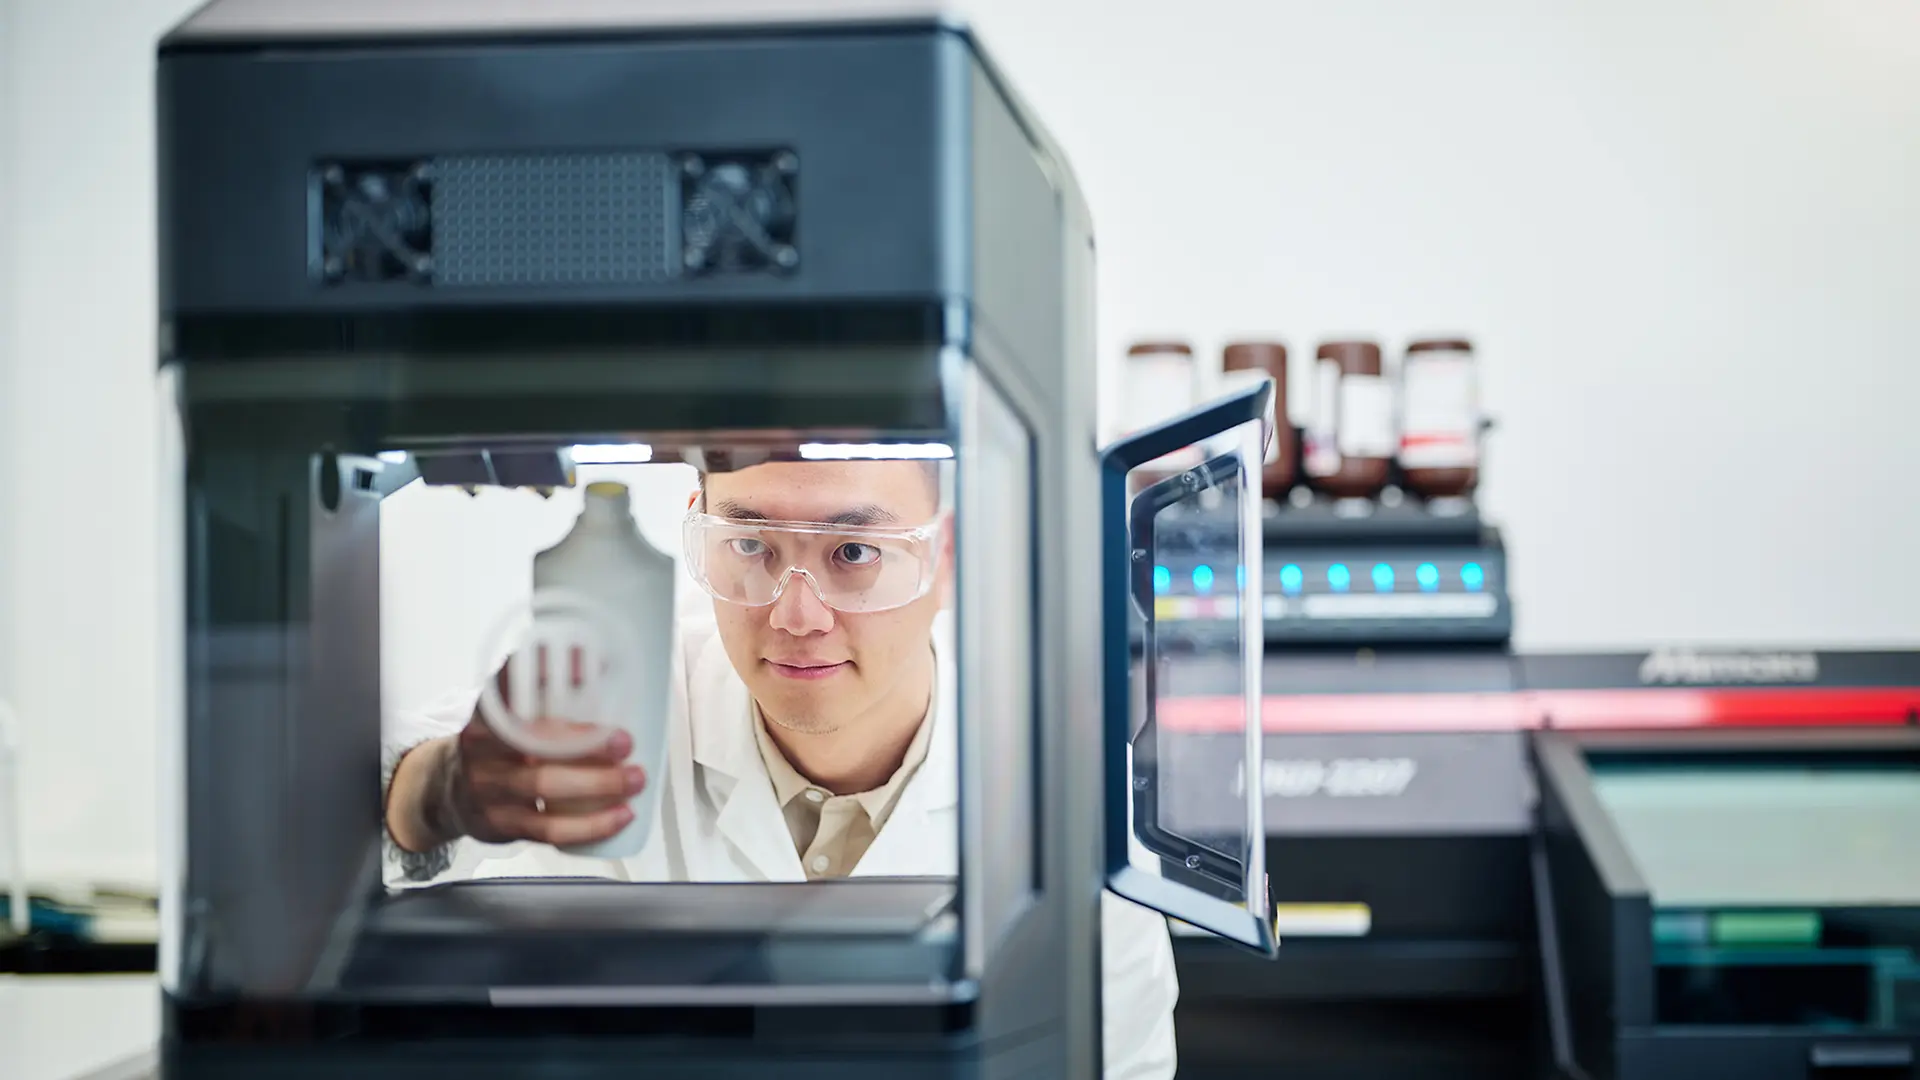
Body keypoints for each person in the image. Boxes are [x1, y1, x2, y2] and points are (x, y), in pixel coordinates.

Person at [380, 456, 1180, 1078]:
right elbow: (363, 807)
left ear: (947, 557)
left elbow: (1120, 1063)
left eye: (855, 552)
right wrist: (439, 790)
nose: (797, 616)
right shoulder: (627, 694)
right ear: (699, 531)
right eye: (752, 546)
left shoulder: (1067, 792)